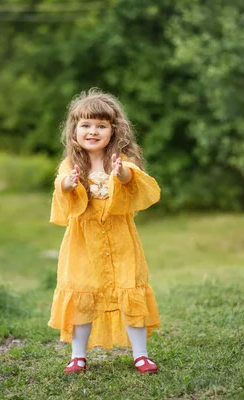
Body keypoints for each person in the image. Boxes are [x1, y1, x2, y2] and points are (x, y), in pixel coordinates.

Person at [48, 88, 161, 374]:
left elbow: (133, 181)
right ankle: (77, 355)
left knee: (128, 287)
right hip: (82, 242)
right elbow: (60, 187)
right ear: (75, 131)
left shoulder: (121, 160)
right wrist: (68, 185)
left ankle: (140, 354)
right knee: (82, 292)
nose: (93, 131)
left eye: (101, 125)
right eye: (86, 125)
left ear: (114, 130)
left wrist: (121, 173)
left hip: (119, 237)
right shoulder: (72, 164)